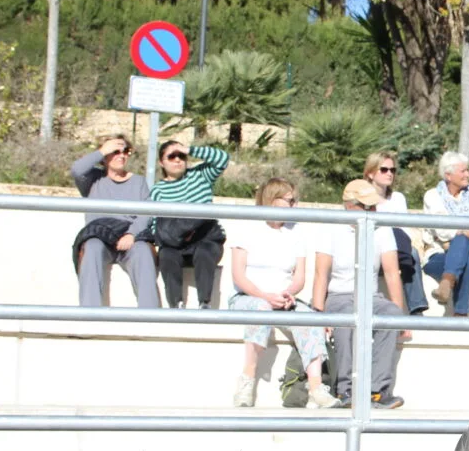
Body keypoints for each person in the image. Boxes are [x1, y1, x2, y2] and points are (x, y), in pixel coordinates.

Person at [228, 179, 338, 409]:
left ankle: (317, 387)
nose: (294, 205)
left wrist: (287, 294)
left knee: (310, 318)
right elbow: (239, 276)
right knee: (261, 309)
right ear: (272, 199)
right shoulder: (247, 228)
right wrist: (266, 296)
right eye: (290, 200)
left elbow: (299, 277)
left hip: (283, 298)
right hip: (250, 297)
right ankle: (247, 380)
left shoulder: (295, 231)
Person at [313, 179, 408, 409]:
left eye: (374, 206)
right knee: (346, 320)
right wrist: (318, 315)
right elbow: (320, 274)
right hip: (340, 296)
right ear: (350, 206)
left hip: (372, 297)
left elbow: (392, 273)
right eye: (368, 207)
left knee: (391, 316)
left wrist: (403, 317)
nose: (373, 211)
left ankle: (378, 391)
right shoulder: (331, 229)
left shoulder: (382, 229)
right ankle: (346, 390)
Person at [70, 135, 159, 309]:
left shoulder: (138, 181)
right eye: (115, 151)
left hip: (129, 237)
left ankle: (150, 315)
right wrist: (103, 150)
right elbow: (76, 170)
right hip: (100, 236)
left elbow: (146, 212)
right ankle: (89, 314)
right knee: (92, 248)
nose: (121, 155)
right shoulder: (93, 179)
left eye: (126, 151)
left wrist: (132, 234)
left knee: (143, 252)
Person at [149, 141, 229, 309]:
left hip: (205, 236)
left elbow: (223, 159)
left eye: (182, 156)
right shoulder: (158, 190)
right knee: (167, 255)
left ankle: (204, 303)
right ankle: (175, 304)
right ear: (161, 162)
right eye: (171, 156)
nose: (178, 160)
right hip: (175, 241)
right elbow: (155, 223)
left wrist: (189, 149)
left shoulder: (201, 175)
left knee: (204, 252)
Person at [365, 151, 427, 316]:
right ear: (370, 173)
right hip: (373, 250)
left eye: (393, 170)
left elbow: (404, 228)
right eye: (384, 169)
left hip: (397, 251)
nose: (389, 173)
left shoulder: (398, 198)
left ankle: (417, 309)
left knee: (411, 253)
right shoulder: (362, 198)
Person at [422, 151, 469, 316]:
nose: (468, 174)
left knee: (464, 248)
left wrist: (461, 235)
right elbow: (440, 230)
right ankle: (461, 314)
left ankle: (447, 282)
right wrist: (464, 232)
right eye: (463, 171)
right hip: (437, 256)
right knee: (465, 260)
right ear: (448, 175)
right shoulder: (432, 196)